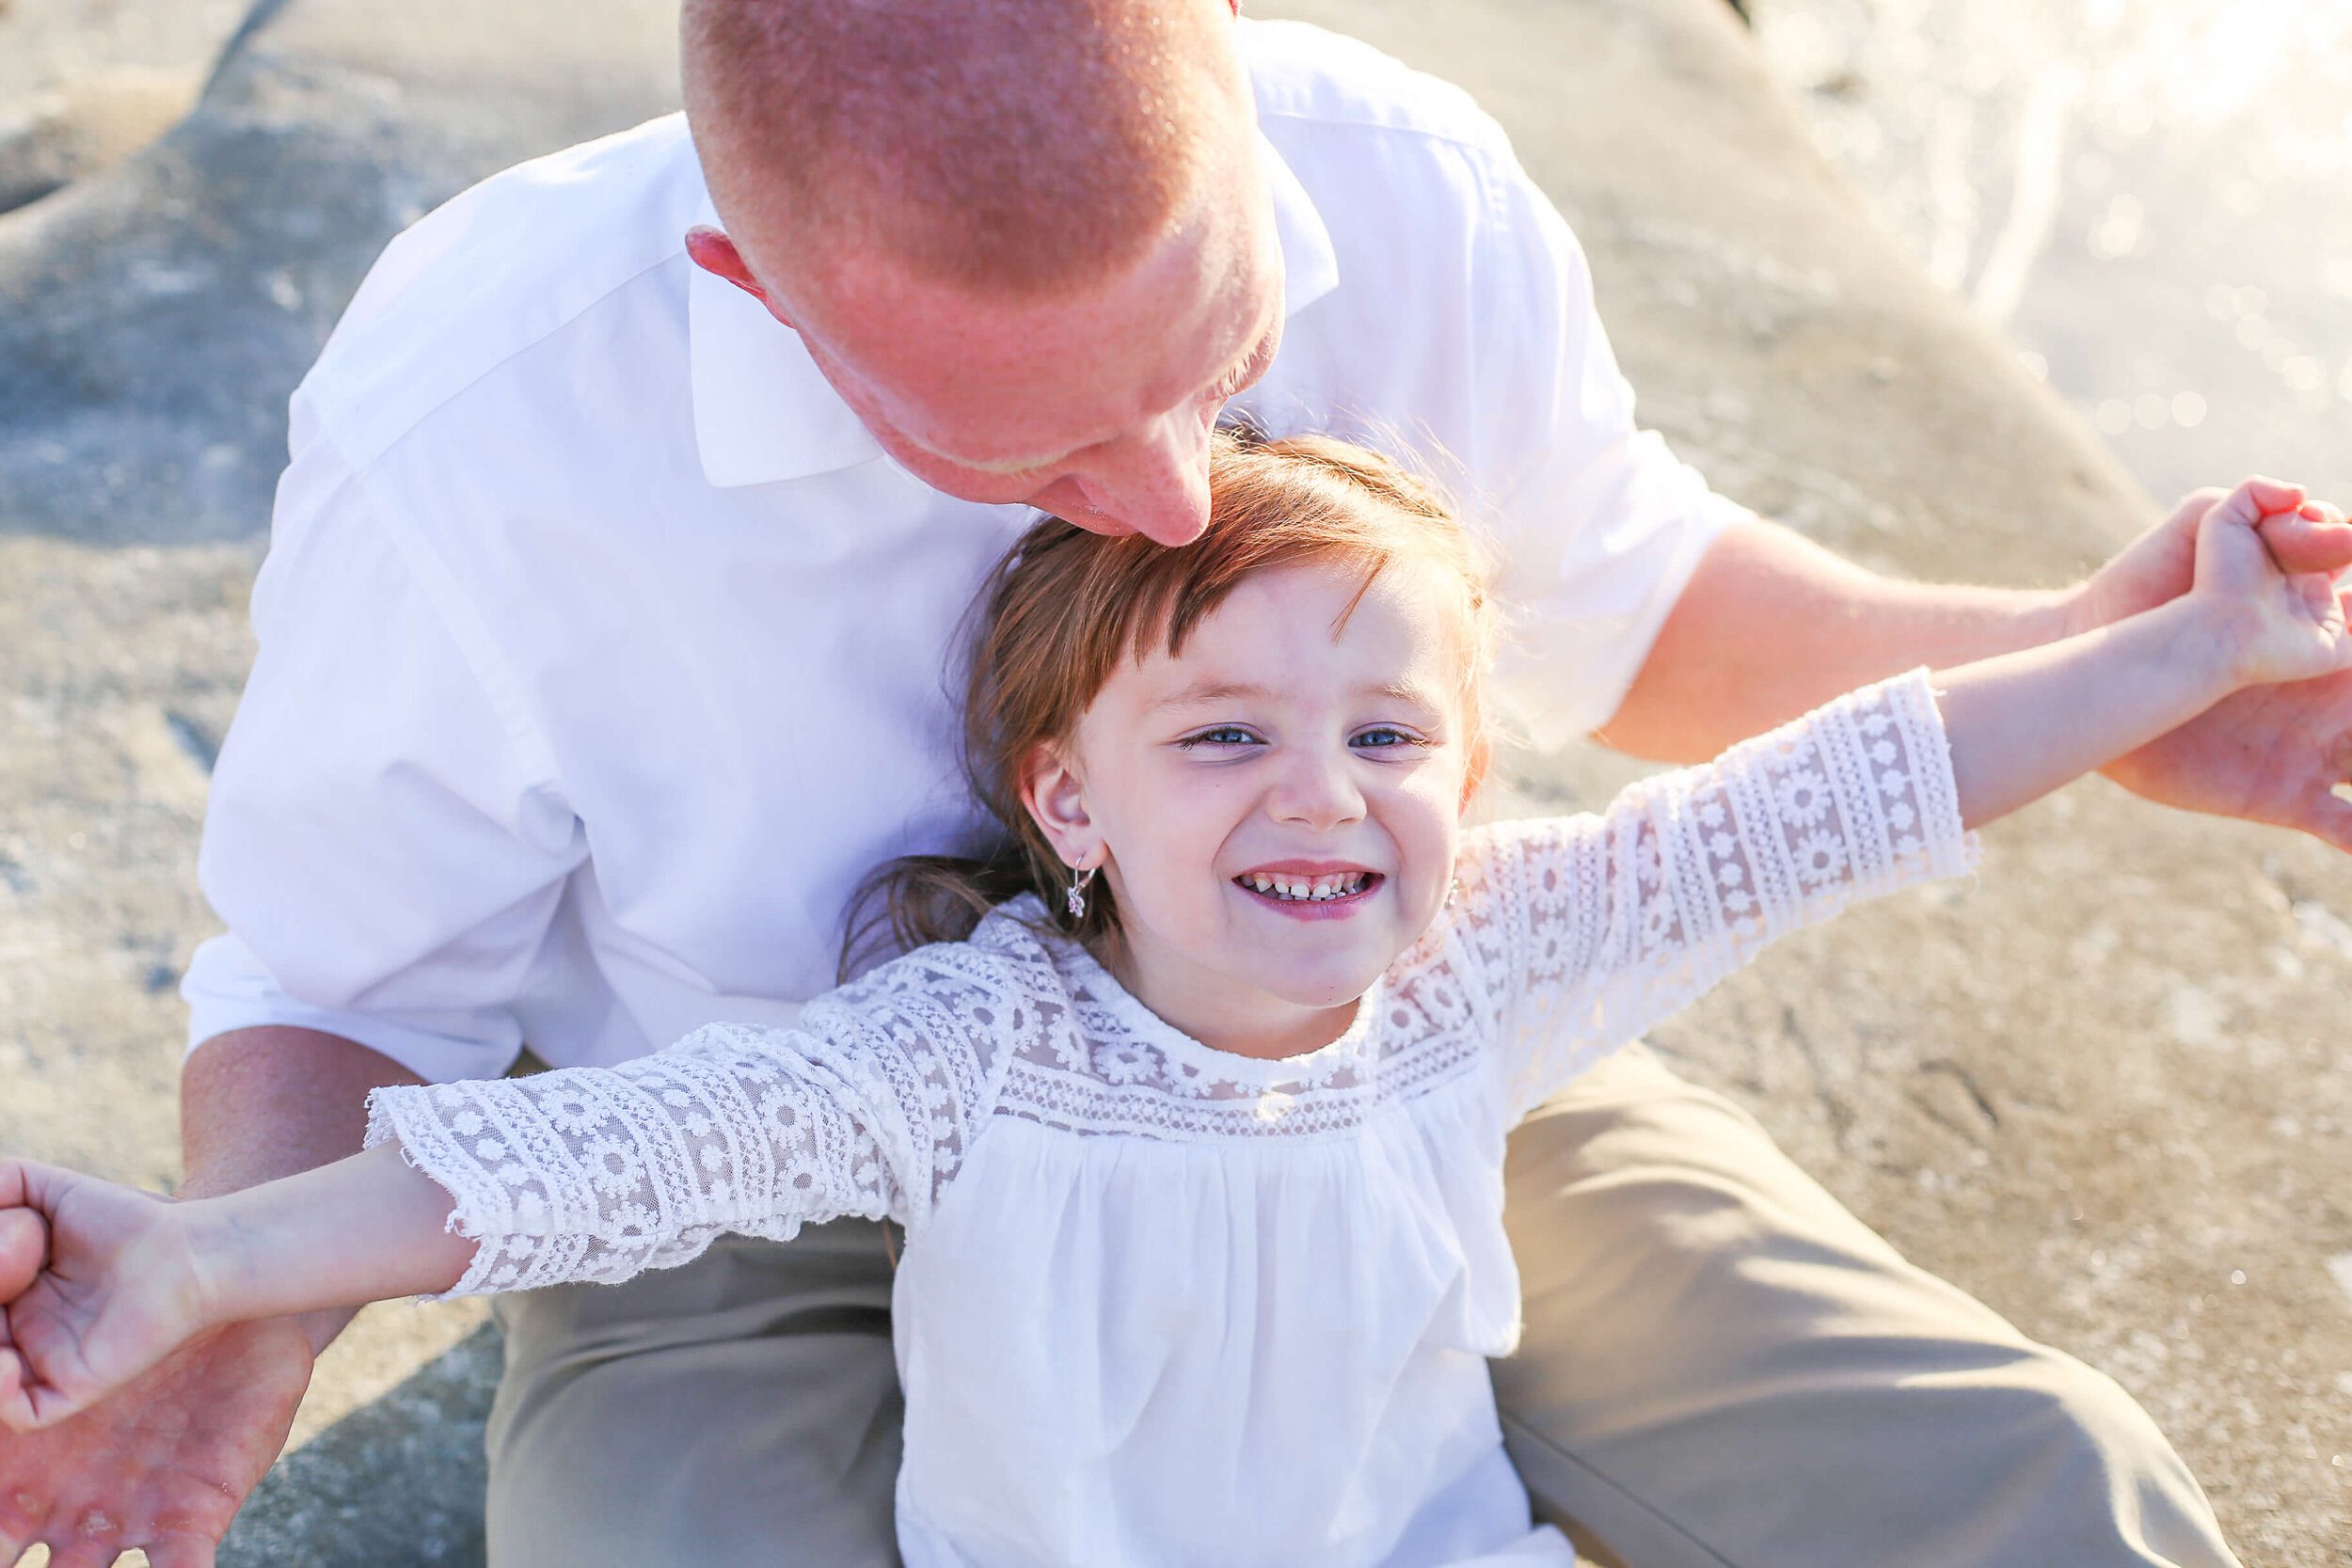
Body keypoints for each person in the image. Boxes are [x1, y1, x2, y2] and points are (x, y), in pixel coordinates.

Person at [4, 2, 2350, 1564]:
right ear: (751, 281)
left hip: (1398, 1077)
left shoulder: (1403, 181)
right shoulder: (483, 426)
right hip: (743, 1195)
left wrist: (2123, 674)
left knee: (2039, 1485)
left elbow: (1643, 617)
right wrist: (226, 1307)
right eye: (1016, 438)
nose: (1155, 494)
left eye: (1219, 360)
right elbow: (354, 993)